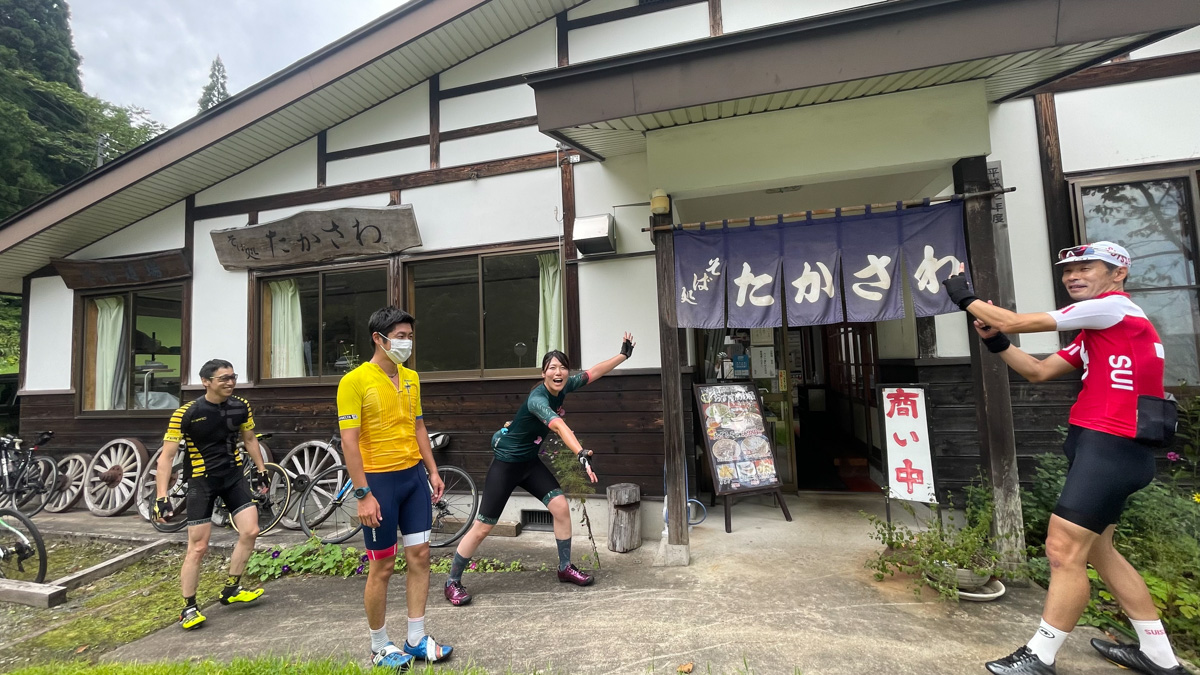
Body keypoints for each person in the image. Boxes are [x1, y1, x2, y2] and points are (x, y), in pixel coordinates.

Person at [942, 242, 1186, 675]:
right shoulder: (1100, 330)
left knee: (1061, 549)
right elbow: (1037, 370)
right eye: (1067, 271)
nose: (1073, 276)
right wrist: (995, 339)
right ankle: (1160, 658)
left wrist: (963, 294)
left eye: (1086, 268)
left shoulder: (1115, 309)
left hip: (1111, 445)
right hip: (1100, 445)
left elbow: (1020, 320)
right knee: (1101, 552)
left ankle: (1040, 656)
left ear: (1118, 274)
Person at [443, 333, 635, 607]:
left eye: (562, 367)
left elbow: (594, 372)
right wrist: (579, 452)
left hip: (530, 463)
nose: (558, 372)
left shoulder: (564, 386)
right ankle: (452, 581)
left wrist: (623, 355)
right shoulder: (538, 400)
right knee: (483, 527)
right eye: (552, 368)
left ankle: (565, 567)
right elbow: (558, 425)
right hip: (507, 466)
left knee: (559, 506)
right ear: (544, 373)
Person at [337, 307, 452, 669]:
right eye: (400, 336)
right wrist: (362, 494)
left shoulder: (412, 378)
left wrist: (432, 471)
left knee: (420, 557)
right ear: (379, 339)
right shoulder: (354, 381)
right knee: (382, 566)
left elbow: (419, 427)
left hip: (413, 478)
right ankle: (378, 645)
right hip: (378, 483)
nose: (406, 342)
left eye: (408, 336)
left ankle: (416, 638)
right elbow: (349, 442)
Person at [153, 359, 269, 630]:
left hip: (233, 477)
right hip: (202, 482)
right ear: (206, 382)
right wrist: (162, 496)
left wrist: (261, 470)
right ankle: (189, 607)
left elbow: (250, 439)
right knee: (198, 547)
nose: (230, 382)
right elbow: (166, 457)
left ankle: (231, 589)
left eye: (233, 377)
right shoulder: (187, 412)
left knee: (250, 531)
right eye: (223, 379)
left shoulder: (241, 406)